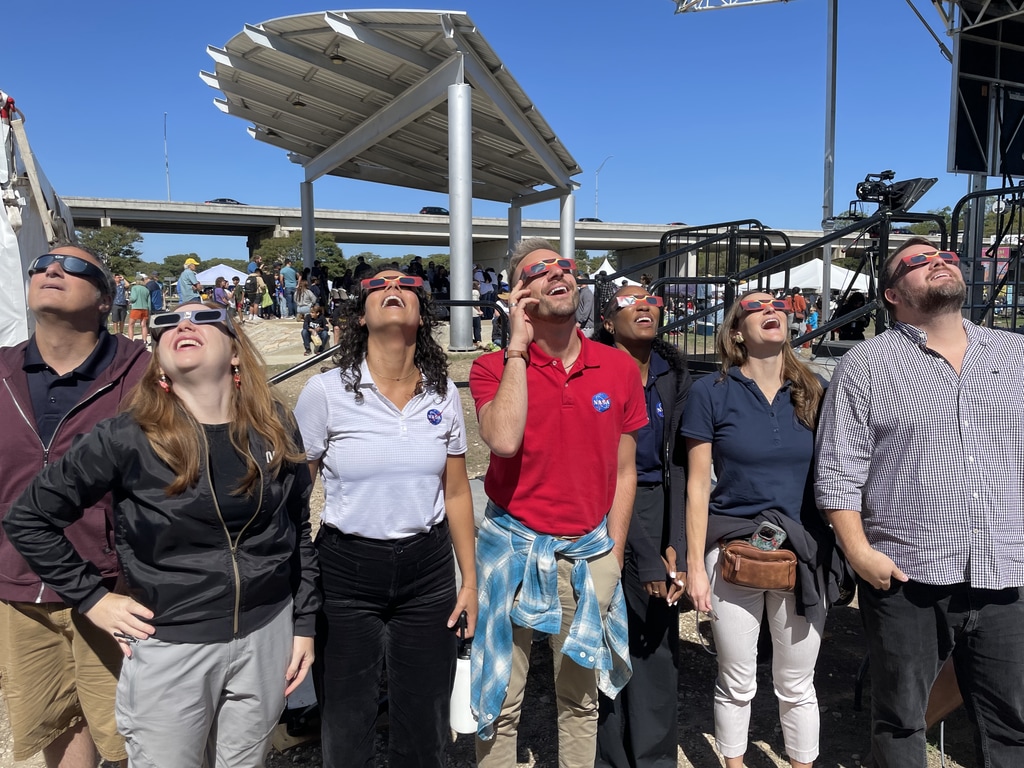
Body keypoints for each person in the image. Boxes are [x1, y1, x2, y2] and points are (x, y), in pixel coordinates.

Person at [4, 300, 320, 768]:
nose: (183, 324)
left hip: (267, 634)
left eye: (204, 317)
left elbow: (297, 529)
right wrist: (93, 599)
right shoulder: (125, 436)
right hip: (173, 644)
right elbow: (29, 518)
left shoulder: (273, 426)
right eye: (167, 322)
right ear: (159, 357)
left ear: (235, 352)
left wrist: (304, 624)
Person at [815, 238, 1024, 768]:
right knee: (900, 721)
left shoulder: (1015, 355)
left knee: (1011, 725)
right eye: (916, 260)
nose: (938, 261)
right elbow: (838, 471)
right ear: (891, 294)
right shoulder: (865, 365)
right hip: (908, 577)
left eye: (947, 256)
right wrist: (860, 554)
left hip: (1006, 576)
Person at [469, 238, 646, 767]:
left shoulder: (617, 370)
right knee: (498, 699)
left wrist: (612, 554)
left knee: (580, 701)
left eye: (563, 266)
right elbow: (502, 440)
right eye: (537, 271)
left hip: (585, 554)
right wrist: (518, 349)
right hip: (511, 551)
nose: (556, 273)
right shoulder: (491, 368)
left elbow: (624, 469)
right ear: (517, 294)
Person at [294, 269, 477, 767]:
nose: (392, 288)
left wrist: (470, 583)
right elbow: (295, 496)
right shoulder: (326, 392)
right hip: (346, 569)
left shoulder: (442, 393)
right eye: (378, 287)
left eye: (406, 288)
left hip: (429, 570)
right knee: (346, 720)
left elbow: (457, 492)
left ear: (422, 317)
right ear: (360, 316)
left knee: (425, 718)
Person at [0, 244, 149, 767]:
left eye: (76, 267)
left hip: (119, 588)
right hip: (20, 589)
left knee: (135, 732)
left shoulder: (146, 375)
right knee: (58, 722)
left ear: (107, 299)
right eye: (41, 264)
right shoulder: (1, 372)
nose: (52, 270)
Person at [682, 291, 838, 768]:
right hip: (732, 548)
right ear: (735, 332)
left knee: (796, 683)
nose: (771, 311)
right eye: (755, 307)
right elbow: (696, 486)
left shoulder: (815, 389)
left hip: (804, 551)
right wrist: (694, 566)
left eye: (778, 307)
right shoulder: (710, 392)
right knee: (737, 678)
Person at [594, 286, 691, 768]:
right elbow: (605, 473)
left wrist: (675, 542)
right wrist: (643, 552)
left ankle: (654, 759)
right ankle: (609, 758)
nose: (645, 306)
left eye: (651, 300)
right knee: (604, 641)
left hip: (656, 504)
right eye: (631, 301)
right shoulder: (592, 370)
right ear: (608, 321)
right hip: (598, 508)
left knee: (656, 645)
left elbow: (681, 466)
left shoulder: (673, 375)